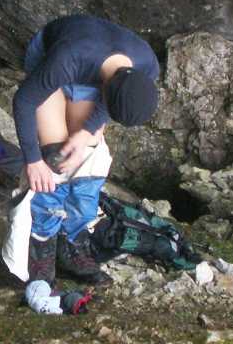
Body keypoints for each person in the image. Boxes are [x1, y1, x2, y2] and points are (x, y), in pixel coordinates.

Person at [11, 15, 161, 287]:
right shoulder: (67, 59)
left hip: (96, 70)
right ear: (107, 89)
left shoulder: (146, 67)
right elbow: (24, 100)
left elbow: (110, 101)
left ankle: (72, 242)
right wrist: (33, 161)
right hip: (52, 55)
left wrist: (85, 132)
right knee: (55, 158)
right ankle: (42, 245)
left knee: (87, 155)